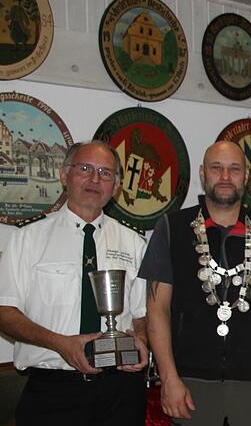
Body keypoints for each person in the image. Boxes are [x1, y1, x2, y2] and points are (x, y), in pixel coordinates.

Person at [141, 141, 251, 425]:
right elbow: (157, 310)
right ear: (203, 173)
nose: (226, 177)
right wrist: (169, 378)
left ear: (245, 176)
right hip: (191, 383)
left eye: (234, 169)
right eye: (217, 168)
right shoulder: (172, 228)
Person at [0, 141, 149, 425]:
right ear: (63, 174)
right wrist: (61, 344)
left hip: (120, 389)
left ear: (116, 186)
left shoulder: (134, 242)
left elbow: (142, 314)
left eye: (106, 173)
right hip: (54, 390)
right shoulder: (28, 239)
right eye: (85, 169)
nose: (95, 179)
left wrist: (141, 341)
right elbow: (4, 312)